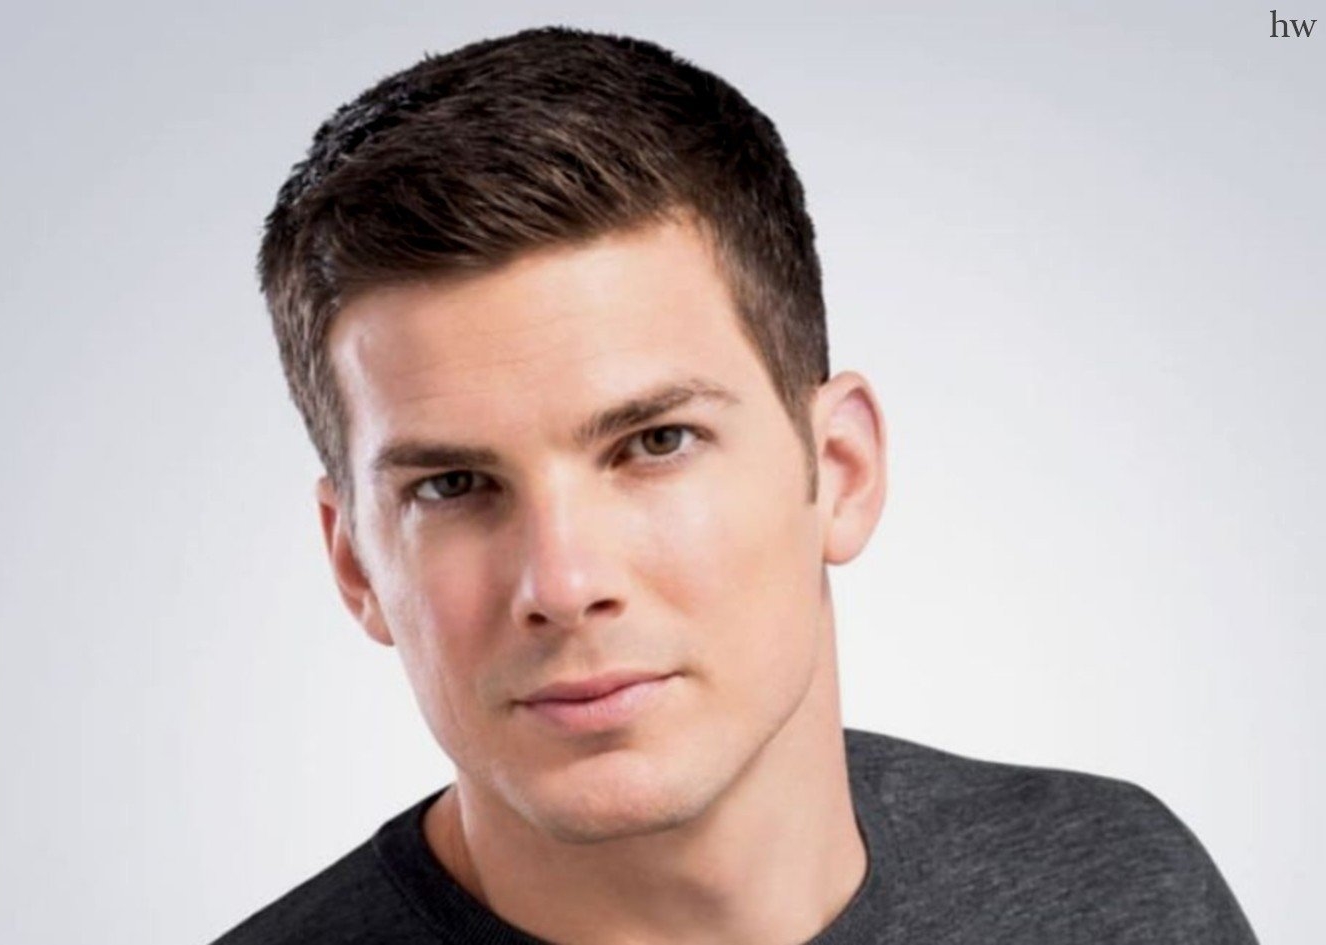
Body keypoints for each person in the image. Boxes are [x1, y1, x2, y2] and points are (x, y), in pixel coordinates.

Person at [213, 26, 1258, 945]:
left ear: (839, 470)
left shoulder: (1120, 892)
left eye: (654, 442)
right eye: (451, 485)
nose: (563, 583)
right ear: (355, 563)